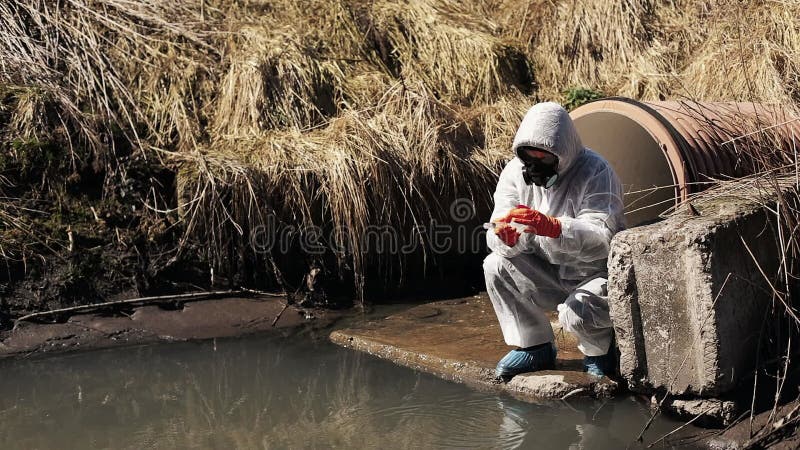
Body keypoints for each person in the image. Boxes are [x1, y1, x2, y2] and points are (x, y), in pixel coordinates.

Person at [483, 102, 625, 380]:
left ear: (563, 152)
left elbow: (602, 240)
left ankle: (599, 352)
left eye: (544, 158)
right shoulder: (514, 172)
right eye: (529, 157)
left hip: (592, 275)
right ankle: (535, 346)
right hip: (548, 272)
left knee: (578, 311)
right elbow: (497, 223)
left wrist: (556, 228)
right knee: (495, 264)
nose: (534, 167)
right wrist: (505, 237)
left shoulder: (596, 172)